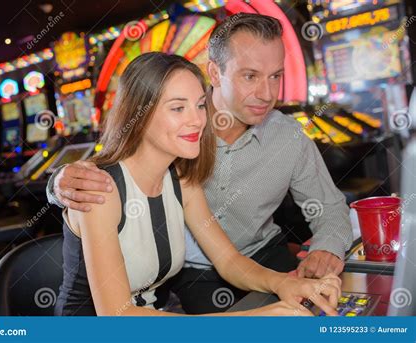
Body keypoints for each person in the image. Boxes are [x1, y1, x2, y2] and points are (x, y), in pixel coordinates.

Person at [49, 14, 353, 314]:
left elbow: (230, 260)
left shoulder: (183, 174)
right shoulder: (110, 183)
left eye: (275, 76)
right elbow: (117, 317)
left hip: (204, 285)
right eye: (178, 108)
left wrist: (284, 283)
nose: (196, 120)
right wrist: (57, 183)